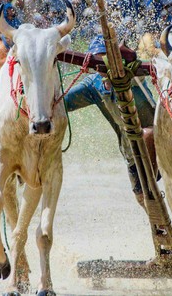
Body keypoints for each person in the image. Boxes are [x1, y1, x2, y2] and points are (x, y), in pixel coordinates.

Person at [63, 35, 158, 209]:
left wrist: (127, 58)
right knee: (140, 197)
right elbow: (63, 103)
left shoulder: (130, 73)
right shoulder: (93, 85)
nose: (99, 65)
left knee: (148, 134)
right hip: (130, 148)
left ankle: (152, 188)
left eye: (103, 57)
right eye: (95, 59)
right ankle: (160, 228)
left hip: (158, 140)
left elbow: (140, 68)